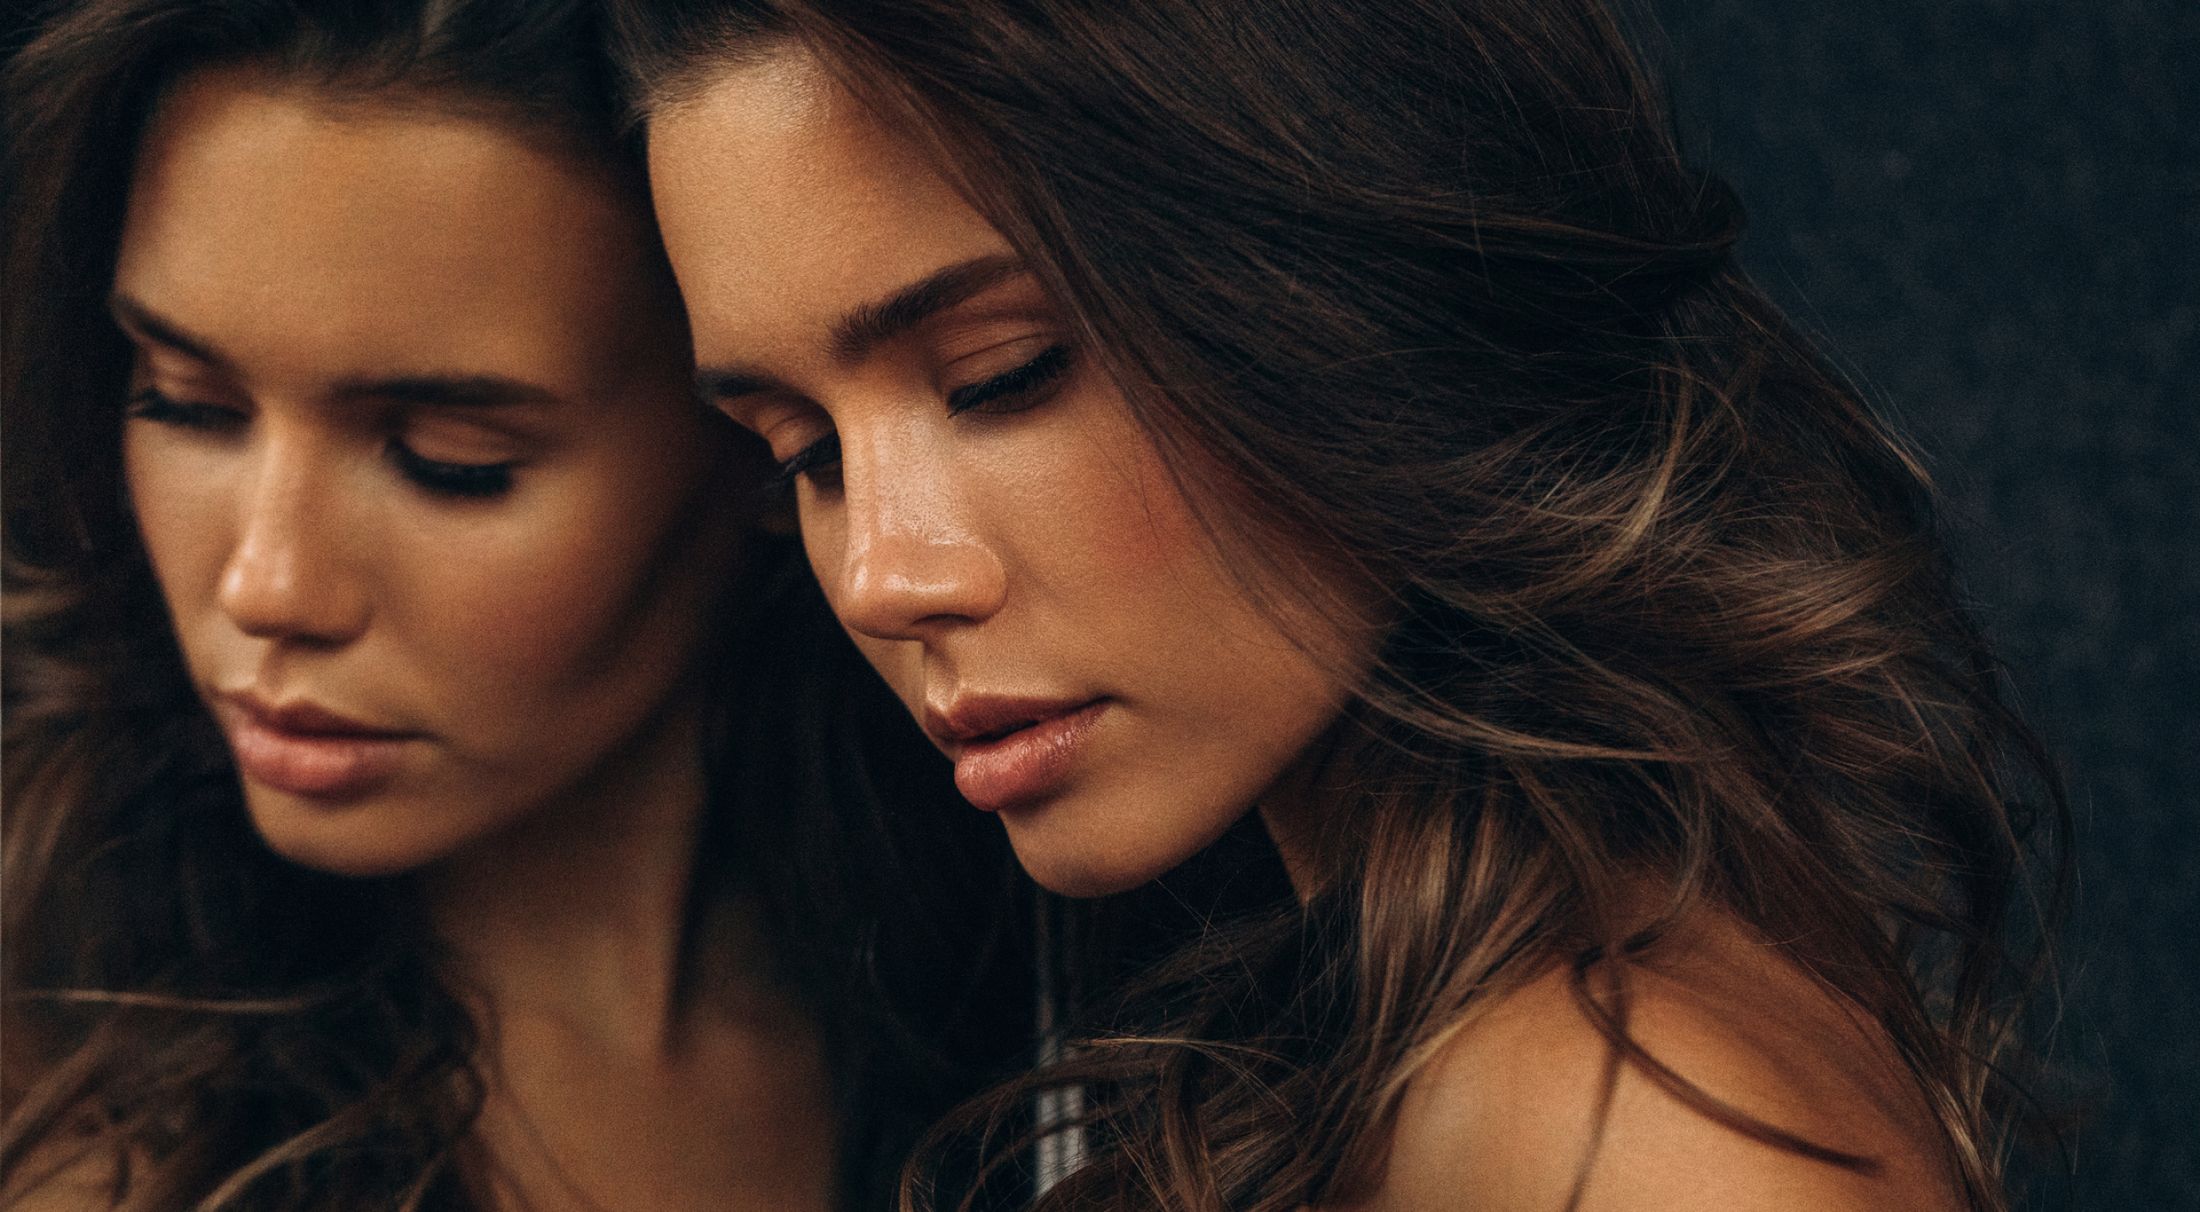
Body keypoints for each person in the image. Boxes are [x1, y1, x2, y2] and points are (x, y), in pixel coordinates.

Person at [615, 1, 2069, 1209]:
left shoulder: (1638, 1135)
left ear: (1348, 296)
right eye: (803, 455)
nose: (881, 576)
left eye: (1003, 375)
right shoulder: (1434, 1042)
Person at [0, 1, 1024, 1208]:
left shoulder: (1047, 997)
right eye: (186, 403)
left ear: (764, 440)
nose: (267, 587)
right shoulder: (62, 1094)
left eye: (450, 462)